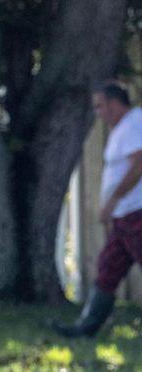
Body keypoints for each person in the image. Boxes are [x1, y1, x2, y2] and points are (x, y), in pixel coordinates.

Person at [53, 81, 142, 337]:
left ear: (115, 103)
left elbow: (138, 164)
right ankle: (86, 327)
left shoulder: (134, 123)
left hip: (136, 212)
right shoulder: (122, 128)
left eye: (100, 106)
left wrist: (114, 199)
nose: (98, 113)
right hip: (124, 215)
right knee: (108, 267)